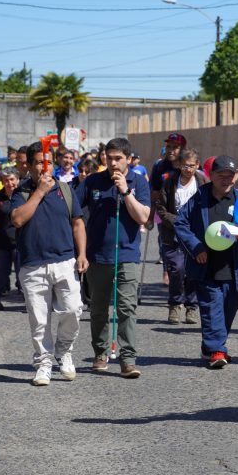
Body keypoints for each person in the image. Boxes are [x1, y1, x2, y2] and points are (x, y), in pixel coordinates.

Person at [10, 142, 88, 386]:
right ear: (30, 166)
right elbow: (18, 220)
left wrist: (82, 254)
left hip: (65, 260)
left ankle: (64, 352)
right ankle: (43, 363)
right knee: (39, 319)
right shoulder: (20, 192)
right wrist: (40, 192)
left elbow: (78, 223)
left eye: (49, 162)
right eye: (39, 162)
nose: (45, 167)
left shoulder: (65, 190)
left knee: (74, 309)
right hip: (33, 265)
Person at [174, 155, 238, 369]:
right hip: (207, 267)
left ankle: (210, 345)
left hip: (235, 269)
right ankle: (218, 350)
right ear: (211, 176)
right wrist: (196, 248)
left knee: (227, 310)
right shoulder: (199, 199)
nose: (226, 180)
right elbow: (180, 223)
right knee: (212, 307)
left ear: (237, 176)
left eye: (230, 176)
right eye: (221, 175)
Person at [77, 137, 150, 378]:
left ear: (128, 159)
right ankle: (100, 352)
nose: (113, 163)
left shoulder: (138, 182)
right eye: (109, 158)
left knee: (127, 307)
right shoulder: (93, 182)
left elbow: (143, 217)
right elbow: (74, 210)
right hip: (98, 255)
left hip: (127, 254)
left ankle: (128, 358)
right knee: (98, 308)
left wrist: (126, 192)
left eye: (118, 158)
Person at [154, 147, 207, 325]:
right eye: (185, 166)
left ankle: (192, 306)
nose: (188, 169)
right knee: (176, 269)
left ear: (197, 165)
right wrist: (176, 222)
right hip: (172, 233)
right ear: (179, 165)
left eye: (192, 166)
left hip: (194, 234)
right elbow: (161, 208)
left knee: (193, 270)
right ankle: (175, 303)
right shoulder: (170, 182)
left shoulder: (202, 181)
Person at [149, 133, 186, 284]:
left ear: (182, 149)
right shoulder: (160, 166)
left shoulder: (189, 165)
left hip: (185, 213)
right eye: (168, 146)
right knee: (166, 242)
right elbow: (154, 191)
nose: (171, 150)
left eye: (175, 147)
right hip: (164, 212)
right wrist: (150, 216)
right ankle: (167, 270)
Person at [0, 167, 21, 310]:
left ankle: (29, 302)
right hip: (2, 242)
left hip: (20, 242)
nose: (9, 183)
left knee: (23, 274)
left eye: (12, 179)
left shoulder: (22, 196)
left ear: (18, 180)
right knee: (1, 274)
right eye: (6, 180)